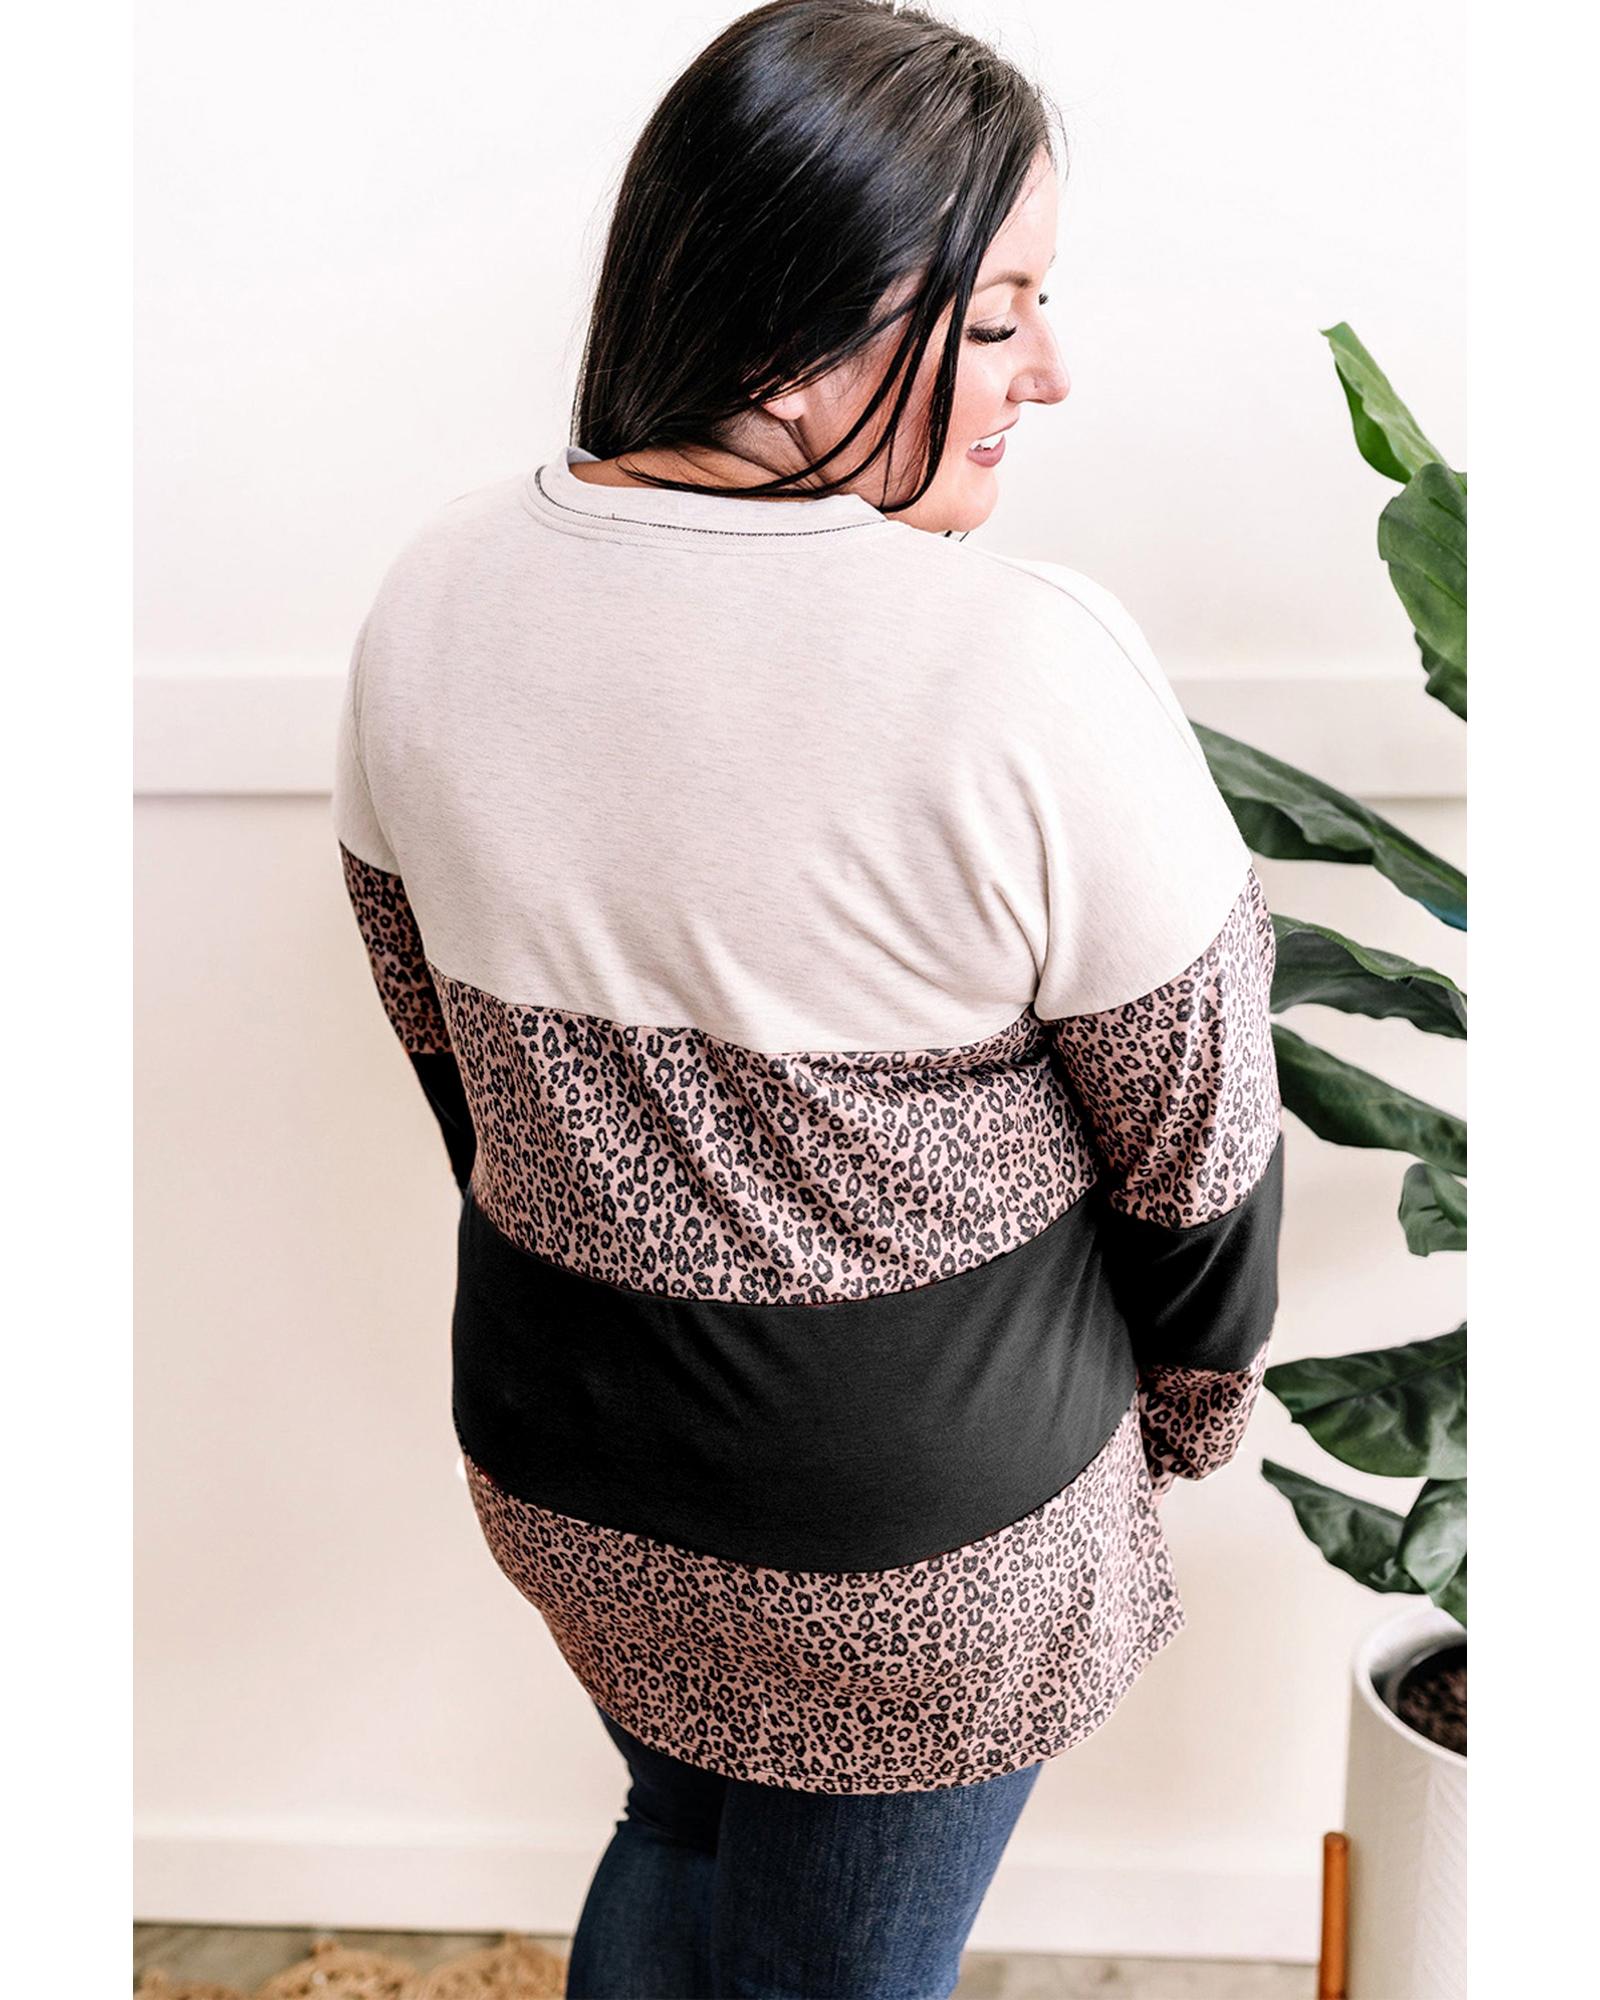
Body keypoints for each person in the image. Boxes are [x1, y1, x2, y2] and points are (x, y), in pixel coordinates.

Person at [330, 2, 1285, 1994]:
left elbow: (455, 1065)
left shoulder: (434, 589)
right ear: (795, 333)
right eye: (999, 314)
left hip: (571, 1455)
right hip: (911, 1542)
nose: (1049, 372)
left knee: (675, 1827)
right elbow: (1200, 1147)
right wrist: (1183, 1419)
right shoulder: (1019, 659)